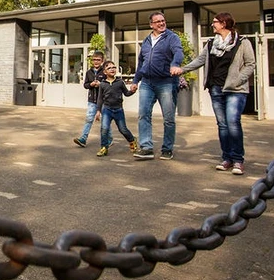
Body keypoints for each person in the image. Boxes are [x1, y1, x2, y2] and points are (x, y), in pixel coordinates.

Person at [174, 12, 256, 175]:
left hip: (235, 89)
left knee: (233, 122)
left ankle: (238, 160)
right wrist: (182, 69)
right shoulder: (211, 44)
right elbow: (199, 60)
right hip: (216, 89)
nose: (212, 25)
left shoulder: (242, 42)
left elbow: (250, 64)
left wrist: (238, 80)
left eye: (215, 22)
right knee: (223, 125)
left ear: (224, 24)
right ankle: (227, 158)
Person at [130, 12, 183, 161]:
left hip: (166, 82)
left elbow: (178, 52)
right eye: (157, 21)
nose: (161, 23)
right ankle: (146, 148)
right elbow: (141, 63)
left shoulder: (172, 37)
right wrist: (135, 81)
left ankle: (167, 149)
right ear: (151, 24)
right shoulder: (146, 40)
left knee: (168, 118)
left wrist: (175, 64)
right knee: (143, 114)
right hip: (147, 82)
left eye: (163, 21)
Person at [95, 61, 138, 157]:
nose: (112, 69)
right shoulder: (102, 84)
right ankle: (104, 148)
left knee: (123, 129)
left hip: (118, 110)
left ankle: (132, 140)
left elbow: (126, 93)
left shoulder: (120, 82)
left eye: (114, 67)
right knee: (104, 129)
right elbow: (100, 98)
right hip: (107, 110)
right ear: (105, 72)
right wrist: (98, 111)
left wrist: (132, 91)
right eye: (109, 68)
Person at [73, 51, 105, 147]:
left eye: (98, 60)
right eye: (94, 60)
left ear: (102, 61)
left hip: (103, 101)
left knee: (105, 121)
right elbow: (85, 85)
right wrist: (90, 84)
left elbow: (109, 84)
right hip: (92, 101)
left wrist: (100, 84)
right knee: (89, 119)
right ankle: (83, 138)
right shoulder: (88, 72)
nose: (96, 62)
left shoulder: (104, 72)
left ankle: (108, 139)